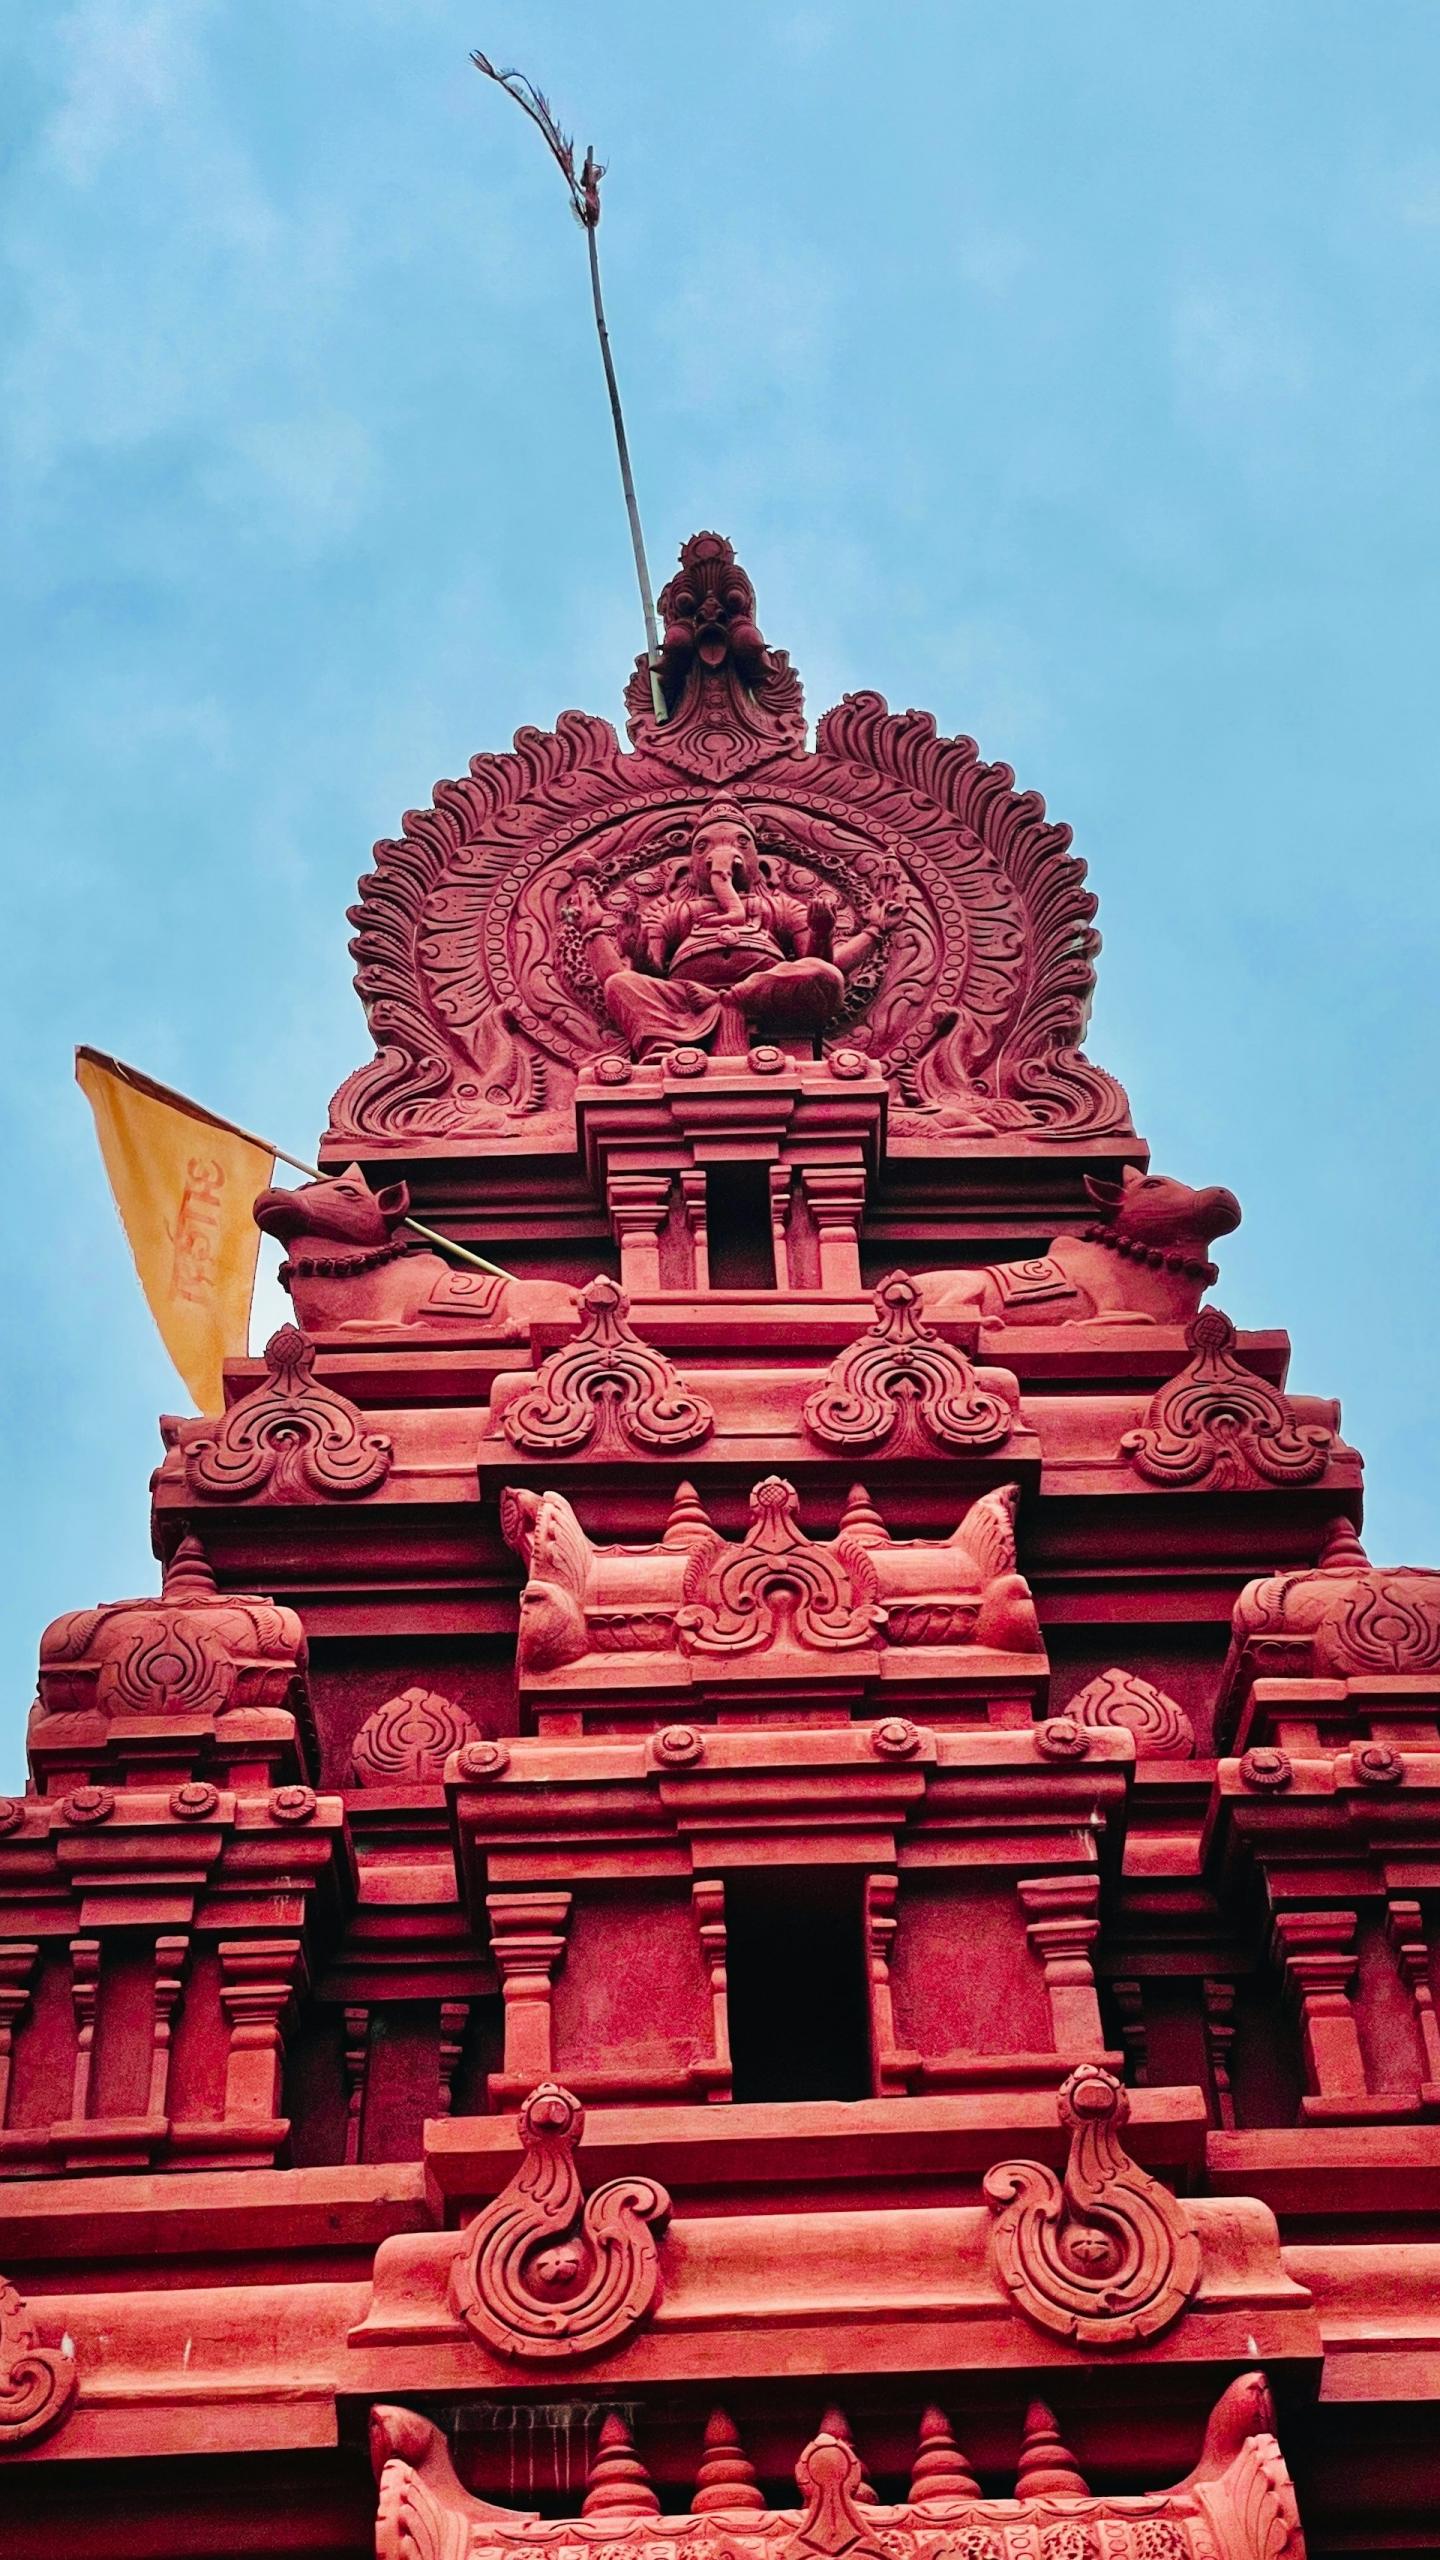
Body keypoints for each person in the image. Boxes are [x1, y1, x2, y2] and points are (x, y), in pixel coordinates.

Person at [570, 800, 893, 1059]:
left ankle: (730, 999)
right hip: (686, 998)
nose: (720, 854)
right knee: (622, 985)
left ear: (758, 860)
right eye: (703, 847)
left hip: (765, 996)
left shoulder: (778, 906)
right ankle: (662, 1045)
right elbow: (646, 975)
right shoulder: (672, 911)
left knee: (822, 977)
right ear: (690, 864)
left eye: (741, 843)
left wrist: (837, 931)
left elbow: (824, 964)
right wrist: (636, 952)